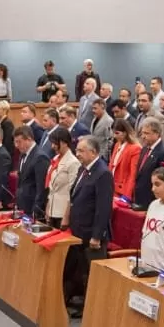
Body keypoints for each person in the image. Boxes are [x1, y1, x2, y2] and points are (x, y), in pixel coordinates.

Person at [64, 136, 115, 312]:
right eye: (77, 150)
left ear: (93, 152)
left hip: (92, 233)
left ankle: (95, 308)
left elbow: (103, 208)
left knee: (93, 272)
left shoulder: (103, 173)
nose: (77, 154)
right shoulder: (83, 169)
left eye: (81, 151)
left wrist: (96, 235)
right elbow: (75, 197)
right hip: (78, 229)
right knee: (81, 269)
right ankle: (83, 301)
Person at [11, 125, 49, 221]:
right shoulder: (23, 154)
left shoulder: (40, 157)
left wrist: (36, 210)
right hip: (21, 205)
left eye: (19, 142)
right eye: (15, 142)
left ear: (29, 139)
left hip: (32, 207)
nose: (16, 145)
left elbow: (41, 188)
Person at [44, 127, 78, 227]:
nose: (52, 146)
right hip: (52, 210)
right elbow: (52, 188)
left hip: (62, 212)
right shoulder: (55, 158)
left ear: (64, 143)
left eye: (55, 143)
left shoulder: (73, 163)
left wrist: (66, 216)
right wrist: (48, 207)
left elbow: (72, 192)